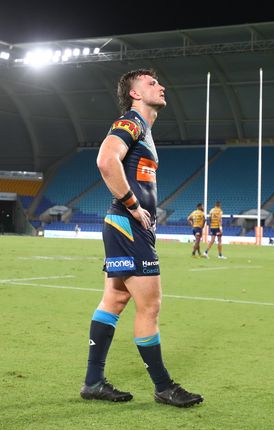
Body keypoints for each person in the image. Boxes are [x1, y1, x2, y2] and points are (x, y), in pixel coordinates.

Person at [80, 68, 202, 408]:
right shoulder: (130, 123)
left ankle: (93, 382)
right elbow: (106, 161)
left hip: (123, 226)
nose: (161, 86)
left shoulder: (142, 129)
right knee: (150, 305)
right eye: (151, 83)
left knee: (114, 302)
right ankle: (164, 387)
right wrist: (134, 206)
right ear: (134, 94)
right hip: (128, 225)